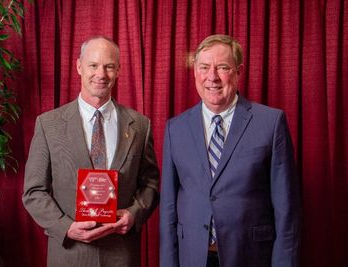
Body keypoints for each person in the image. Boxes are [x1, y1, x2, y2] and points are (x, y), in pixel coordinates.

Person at [159, 34, 301, 267]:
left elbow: (287, 208)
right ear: (195, 71)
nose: (212, 77)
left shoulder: (270, 122)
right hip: (192, 257)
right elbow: (168, 209)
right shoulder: (176, 127)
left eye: (222, 67)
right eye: (204, 67)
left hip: (250, 255)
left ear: (238, 71)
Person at [23, 36, 160, 267]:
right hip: (69, 254)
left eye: (109, 66)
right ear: (79, 66)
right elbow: (34, 191)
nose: (101, 74)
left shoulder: (140, 125)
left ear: (118, 70)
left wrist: (134, 214)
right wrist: (65, 227)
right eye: (93, 65)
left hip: (121, 253)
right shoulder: (49, 124)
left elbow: (151, 183)